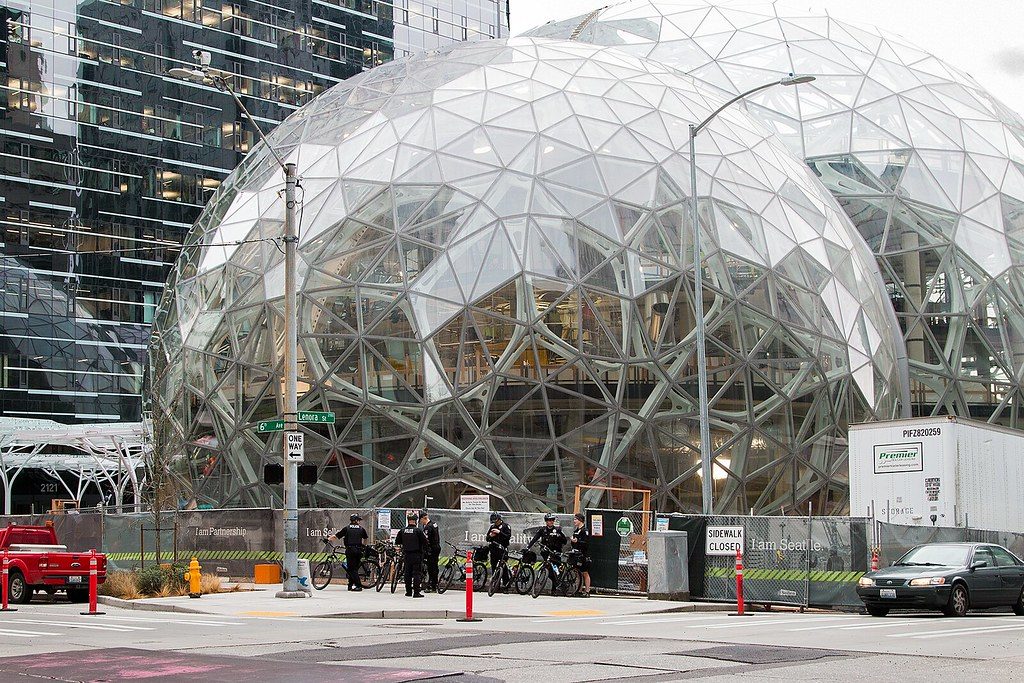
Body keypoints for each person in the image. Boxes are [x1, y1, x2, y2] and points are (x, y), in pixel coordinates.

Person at [527, 513, 567, 591]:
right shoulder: (542, 530)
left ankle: (555, 588)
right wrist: (528, 547)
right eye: (549, 520)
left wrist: (560, 536)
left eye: (552, 520)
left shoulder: (557, 530)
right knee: (548, 570)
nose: (551, 522)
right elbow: (535, 539)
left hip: (555, 553)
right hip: (546, 552)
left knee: (556, 570)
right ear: (546, 521)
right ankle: (556, 585)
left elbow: (564, 541)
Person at [394, 510, 428, 597]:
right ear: (415, 521)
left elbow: (398, 541)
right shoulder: (418, 531)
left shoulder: (402, 531)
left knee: (407, 573)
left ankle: (408, 591)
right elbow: (425, 542)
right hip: (416, 554)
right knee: (416, 573)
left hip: (407, 554)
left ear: (408, 520)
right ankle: (416, 592)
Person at [334, 513, 368, 591]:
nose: (359, 521)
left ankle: (358, 586)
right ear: (355, 520)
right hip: (359, 550)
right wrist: (363, 546)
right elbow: (365, 538)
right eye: (358, 520)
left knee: (351, 569)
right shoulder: (361, 529)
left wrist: (327, 539)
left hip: (350, 550)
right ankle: (350, 585)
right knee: (354, 569)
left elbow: (336, 536)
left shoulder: (347, 528)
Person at [571, 512, 592, 597]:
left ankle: (587, 591)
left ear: (580, 520)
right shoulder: (576, 531)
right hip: (576, 554)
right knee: (578, 572)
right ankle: (578, 590)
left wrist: (577, 541)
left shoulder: (585, 530)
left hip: (584, 554)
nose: (574, 521)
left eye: (575, 519)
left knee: (585, 573)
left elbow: (586, 542)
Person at [419, 510, 441, 592]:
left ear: (423, 519)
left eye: (421, 521)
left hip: (431, 549)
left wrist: (423, 548)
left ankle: (432, 585)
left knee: (431, 568)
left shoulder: (428, 527)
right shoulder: (434, 524)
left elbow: (426, 540)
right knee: (435, 566)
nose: (421, 523)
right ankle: (434, 584)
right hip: (437, 547)